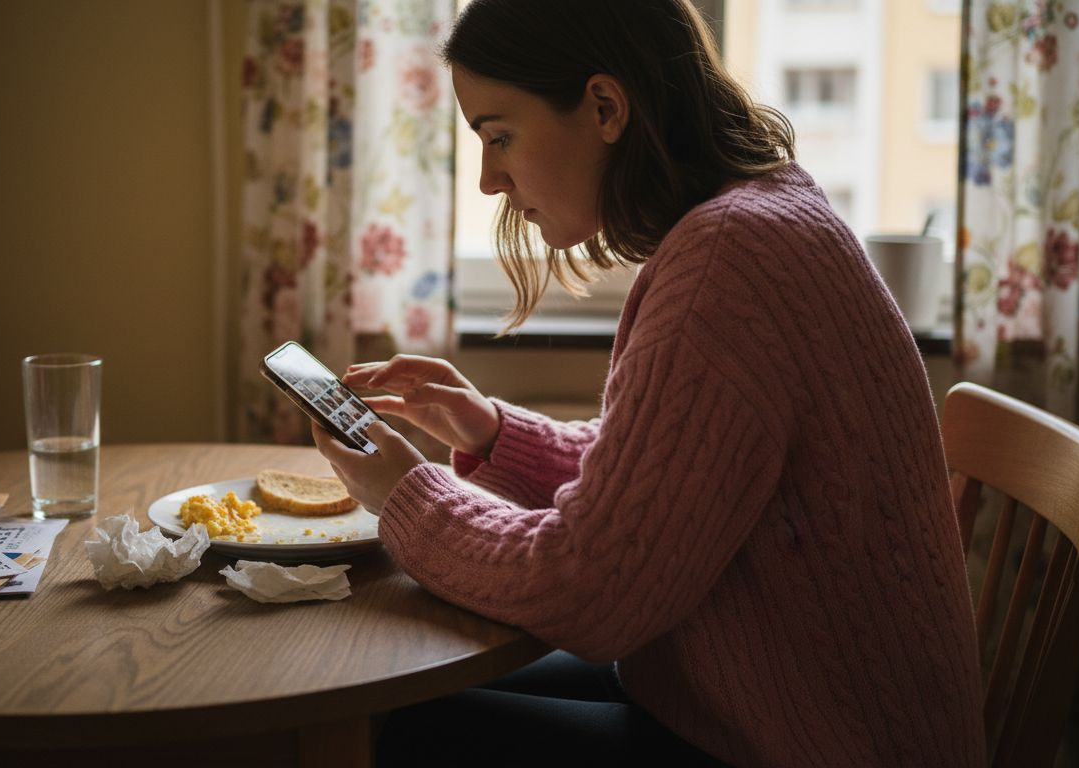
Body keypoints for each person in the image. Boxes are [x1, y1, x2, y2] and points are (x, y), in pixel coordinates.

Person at [310, 1, 985, 765]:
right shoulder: (759, 216)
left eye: (500, 137)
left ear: (604, 107)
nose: (490, 179)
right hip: (755, 704)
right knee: (414, 684)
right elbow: (668, 487)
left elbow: (589, 589)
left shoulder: (728, 261)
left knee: (399, 727)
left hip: (805, 744)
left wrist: (409, 495)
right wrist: (493, 435)